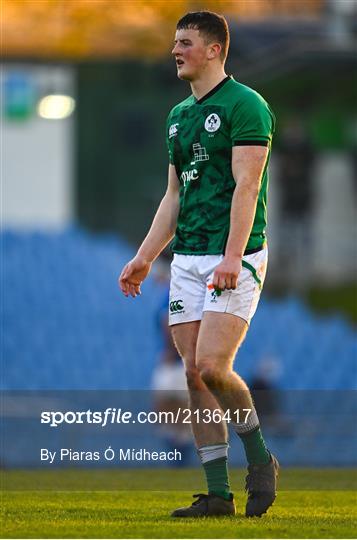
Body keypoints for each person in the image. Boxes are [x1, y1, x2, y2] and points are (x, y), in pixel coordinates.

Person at [119, 10, 279, 518]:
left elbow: (247, 185)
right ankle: (218, 494)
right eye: (174, 42)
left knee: (213, 366)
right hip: (186, 258)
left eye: (185, 42)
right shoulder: (177, 116)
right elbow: (173, 196)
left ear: (214, 50)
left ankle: (259, 460)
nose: (175, 50)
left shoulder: (246, 105)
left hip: (235, 253)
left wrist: (233, 256)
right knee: (193, 375)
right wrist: (146, 257)